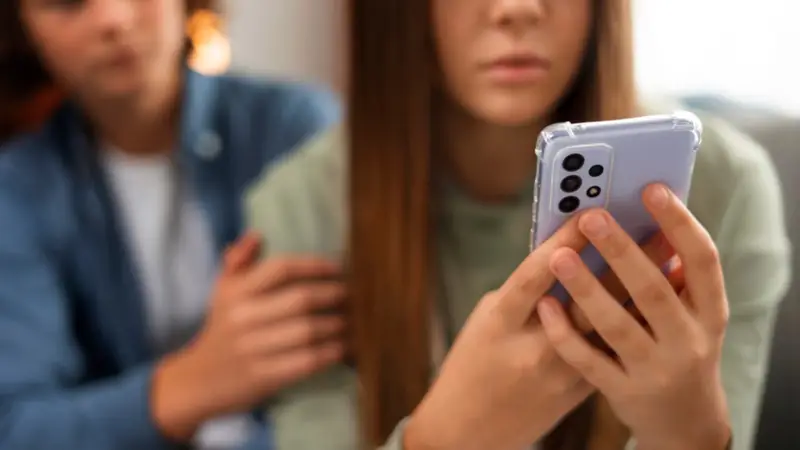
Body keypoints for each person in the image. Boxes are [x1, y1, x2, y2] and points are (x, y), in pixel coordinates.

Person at [245, 1, 790, 449]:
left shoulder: (722, 186)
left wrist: (688, 436)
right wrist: (444, 440)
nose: (517, 8)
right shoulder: (301, 207)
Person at [0, 0, 347, 449]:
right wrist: (200, 377)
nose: (112, 18)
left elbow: (339, 389)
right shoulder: (18, 191)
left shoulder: (294, 129)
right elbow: (18, 429)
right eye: (66, 1)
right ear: (22, 25)